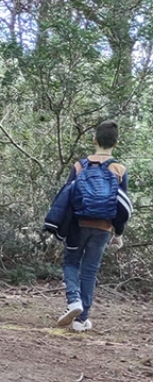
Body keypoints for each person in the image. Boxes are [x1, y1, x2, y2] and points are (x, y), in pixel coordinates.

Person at [57, 120, 131, 332]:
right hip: (103, 227)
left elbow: (67, 197)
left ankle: (74, 301)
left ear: (94, 140)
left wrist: (59, 225)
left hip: (78, 225)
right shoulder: (119, 169)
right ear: (116, 143)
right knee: (90, 270)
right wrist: (118, 233)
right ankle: (81, 321)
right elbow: (122, 205)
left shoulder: (80, 166)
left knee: (71, 262)